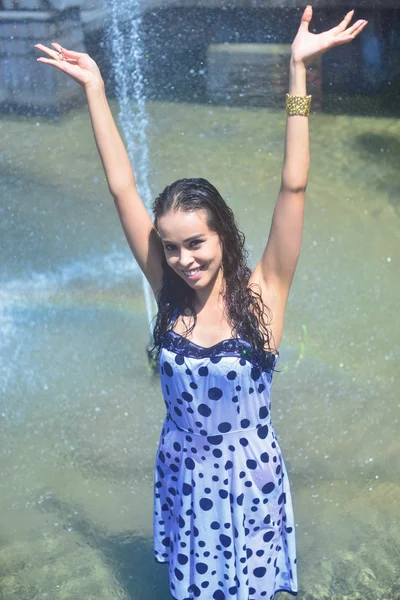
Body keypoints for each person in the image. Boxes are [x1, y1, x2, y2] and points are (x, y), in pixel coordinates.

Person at [35, 6, 367, 599]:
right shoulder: (166, 291)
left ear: (222, 236)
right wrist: (95, 90)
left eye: (196, 243)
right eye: (172, 248)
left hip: (251, 484)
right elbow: (121, 188)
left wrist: (297, 72)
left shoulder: (265, 290)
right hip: (187, 480)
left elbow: (294, 184)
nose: (185, 258)